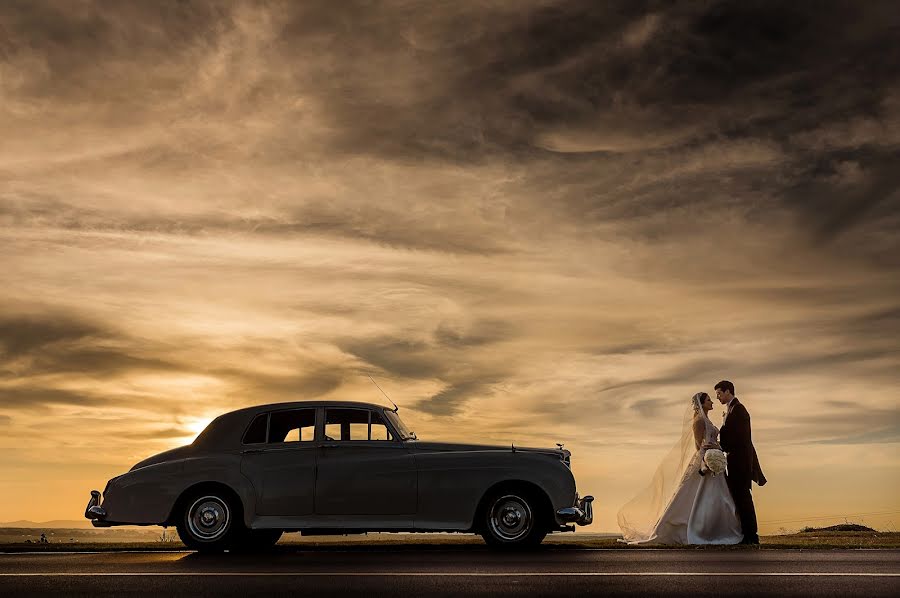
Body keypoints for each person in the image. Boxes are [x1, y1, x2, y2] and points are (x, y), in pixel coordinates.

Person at [617, 392, 743, 545]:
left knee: (719, 497)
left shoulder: (707, 420)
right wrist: (709, 455)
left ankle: (717, 529)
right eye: (709, 400)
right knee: (696, 495)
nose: (713, 402)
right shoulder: (699, 421)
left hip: (714, 459)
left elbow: (712, 440)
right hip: (704, 460)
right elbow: (698, 446)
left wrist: (717, 449)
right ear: (702, 403)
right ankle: (695, 529)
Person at [715, 380, 766, 545]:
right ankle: (746, 532)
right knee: (739, 496)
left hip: (741, 461)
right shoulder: (731, 409)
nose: (718, 398)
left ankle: (751, 535)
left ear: (728, 391)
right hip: (735, 460)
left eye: (719, 394)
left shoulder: (739, 410)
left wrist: (723, 447)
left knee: (743, 497)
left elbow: (741, 438)